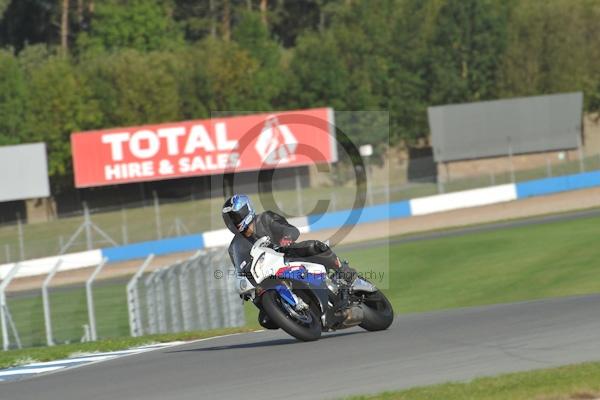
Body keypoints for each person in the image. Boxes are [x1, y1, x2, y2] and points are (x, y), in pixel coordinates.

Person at [221, 194, 343, 329]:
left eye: (235, 217)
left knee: (314, 246)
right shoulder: (235, 246)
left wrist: (286, 237)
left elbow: (289, 229)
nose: (234, 221)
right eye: (230, 219)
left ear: (246, 210)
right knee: (265, 320)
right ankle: (298, 316)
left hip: (287, 255)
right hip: (265, 275)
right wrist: (244, 285)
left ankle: (343, 271)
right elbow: (240, 268)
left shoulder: (265, 219)